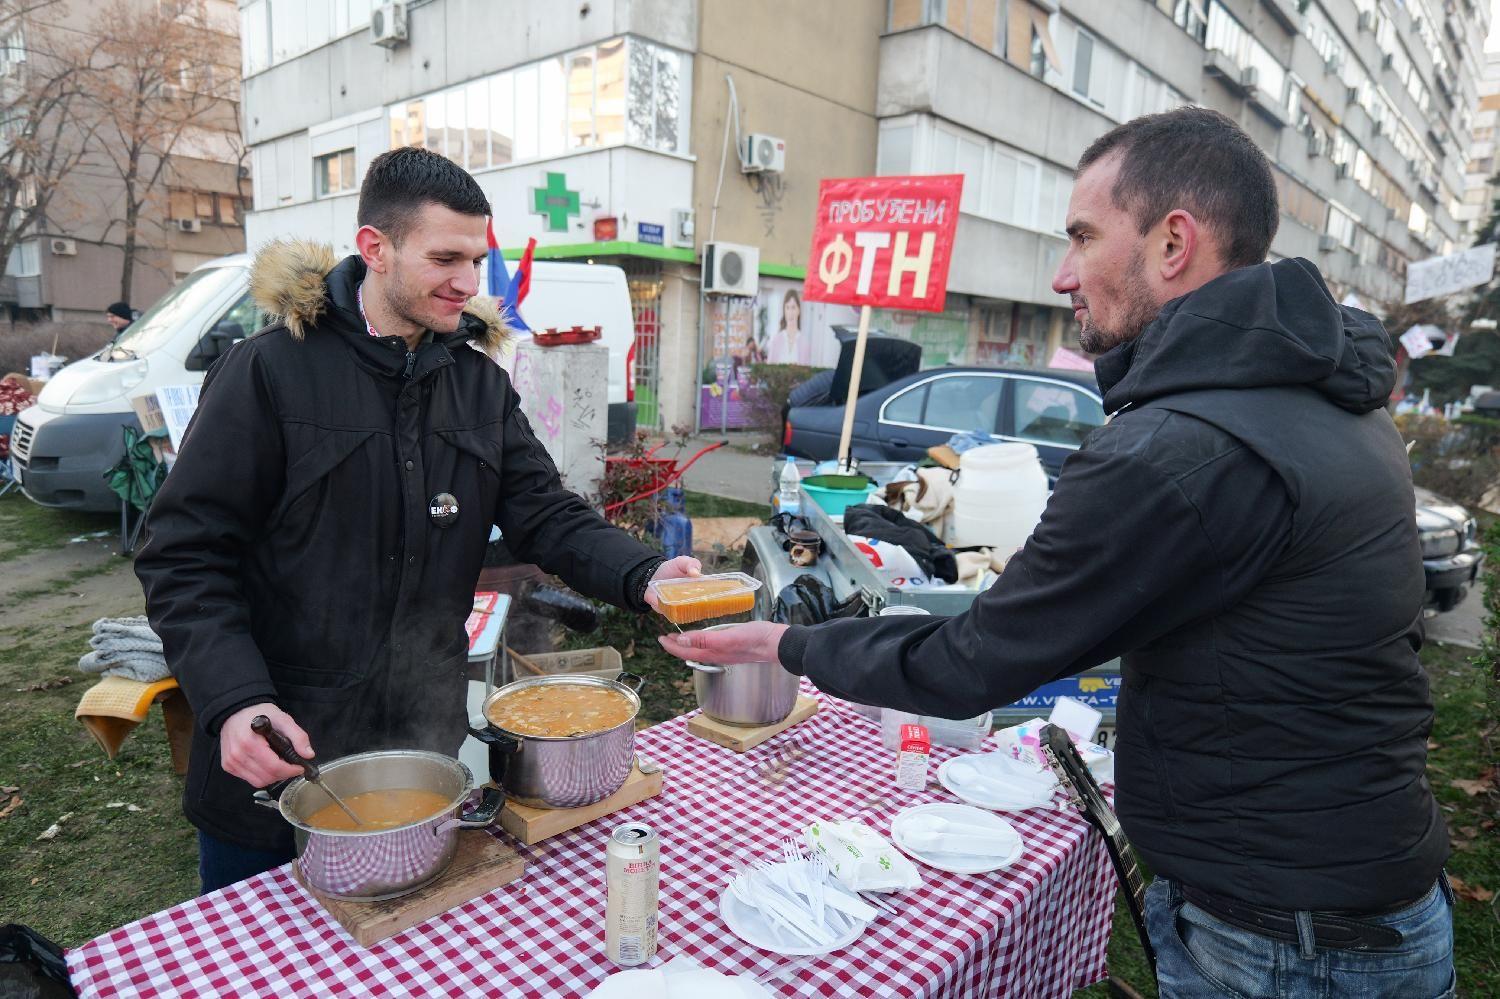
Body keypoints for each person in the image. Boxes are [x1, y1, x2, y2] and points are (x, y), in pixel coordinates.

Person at [661, 107, 1453, 998]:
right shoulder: (1332, 398)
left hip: (1288, 938)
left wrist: (786, 644)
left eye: (1082, 236)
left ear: (1172, 243)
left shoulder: (1181, 447)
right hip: (1364, 888)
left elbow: (974, 660)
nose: (1062, 272)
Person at [135, 146, 699, 893]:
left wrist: (644, 571)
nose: (468, 283)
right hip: (281, 751)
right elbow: (183, 552)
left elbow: (547, 514)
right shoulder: (268, 371)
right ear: (376, 247)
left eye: (477, 258)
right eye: (445, 258)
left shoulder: (476, 384)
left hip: (425, 746)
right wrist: (234, 698)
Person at [764, 289, 809, 365]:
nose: (790, 312)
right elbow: (769, 369)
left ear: (799, 310)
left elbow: (807, 373)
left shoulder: (804, 343)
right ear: (784, 311)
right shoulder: (776, 340)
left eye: (793, 307)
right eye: (787, 307)